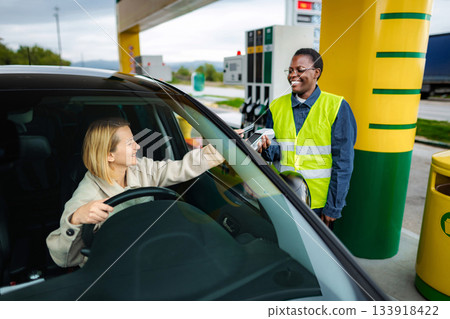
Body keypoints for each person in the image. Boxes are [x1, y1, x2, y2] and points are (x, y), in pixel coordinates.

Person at [47, 118, 224, 268]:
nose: (137, 146)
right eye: (130, 143)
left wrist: (223, 148)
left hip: (150, 250)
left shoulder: (141, 168)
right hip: (114, 266)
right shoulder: (87, 194)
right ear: (110, 155)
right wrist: (76, 218)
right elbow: (63, 259)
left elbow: (180, 169)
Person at [258, 48, 357, 228]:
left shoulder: (336, 107)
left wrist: (333, 207)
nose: (293, 75)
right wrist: (264, 148)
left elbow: (343, 163)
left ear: (316, 73)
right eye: (290, 70)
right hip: (283, 196)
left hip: (317, 206)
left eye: (300, 70)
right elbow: (277, 152)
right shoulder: (276, 106)